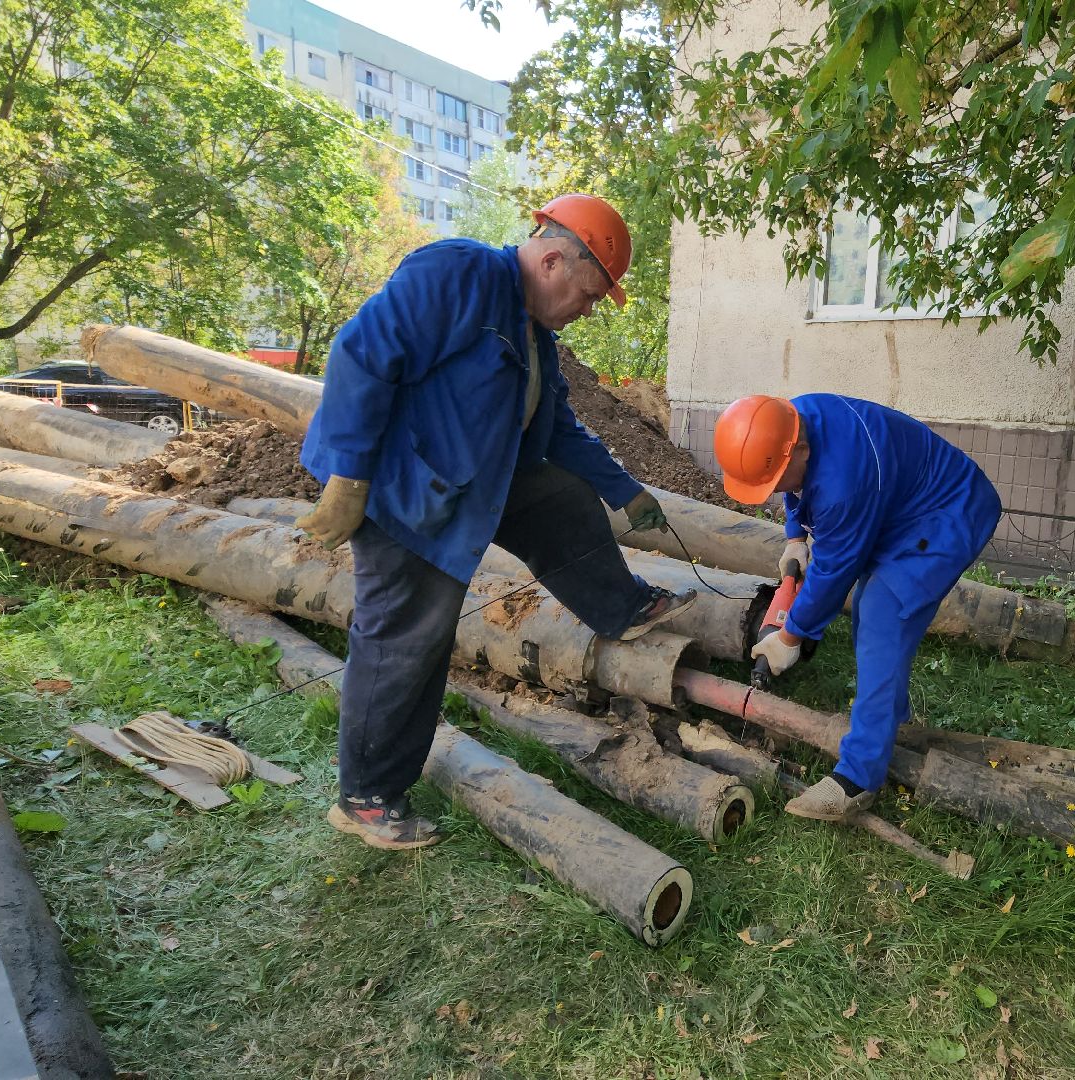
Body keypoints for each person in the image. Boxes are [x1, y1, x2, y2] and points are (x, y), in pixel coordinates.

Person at [299, 193, 697, 850]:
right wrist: (349, 475)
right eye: (591, 294)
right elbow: (362, 352)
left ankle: (621, 607)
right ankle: (366, 797)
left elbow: (561, 431)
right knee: (406, 639)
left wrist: (626, 493)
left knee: (560, 497)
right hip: (406, 492)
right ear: (550, 259)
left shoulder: (536, 335)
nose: (589, 309)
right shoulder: (458, 274)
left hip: (476, 481)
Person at [713, 393, 1001, 821]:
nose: (775, 492)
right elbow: (795, 485)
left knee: (883, 621)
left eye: (773, 483)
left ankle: (858, 778)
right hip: (898, 503)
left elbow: (833, 573)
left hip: (948, 512)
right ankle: (889, 717)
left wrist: (791, 634)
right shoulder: (787, 421)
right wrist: (795, 535)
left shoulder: (842, 486)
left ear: (802, 450)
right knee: (869, 608)